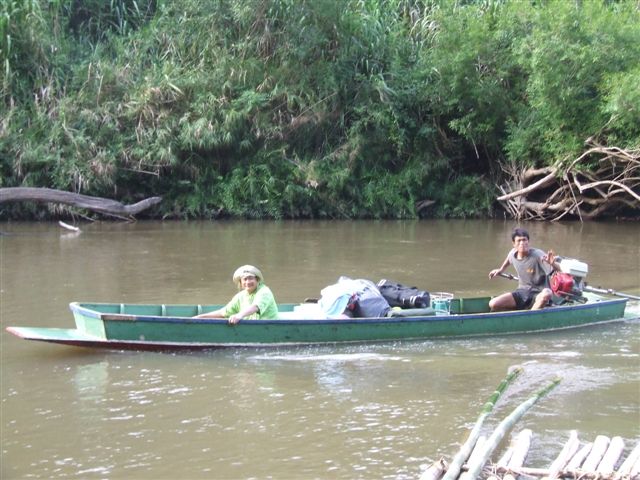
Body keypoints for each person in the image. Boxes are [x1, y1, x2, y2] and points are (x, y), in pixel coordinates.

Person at [488, 228, 560, 311]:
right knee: (493, 304)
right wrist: (501, 270)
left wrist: (552, 263)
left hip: (539, 293)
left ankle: (530, 316)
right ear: (513, 244)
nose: (522, 243)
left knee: (547, 293)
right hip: (522, 292)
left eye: (524, 240)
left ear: (528, 242)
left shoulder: (537, 255)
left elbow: (559, 270)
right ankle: (522, 310)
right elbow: (509, 259)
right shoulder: (513, 253)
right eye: (519, 241)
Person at [194, 265, 278, 324]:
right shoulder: (240, 296)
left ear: (257, 280)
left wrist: (239, 316)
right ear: (240, 283)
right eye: (245, 279)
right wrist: (200, 317)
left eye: (251, 278)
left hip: (268, 327)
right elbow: (223, 313)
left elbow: (255, 307)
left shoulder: (264, 291)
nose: (248, 282)